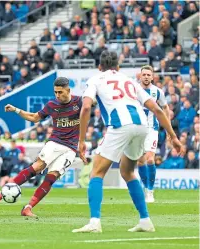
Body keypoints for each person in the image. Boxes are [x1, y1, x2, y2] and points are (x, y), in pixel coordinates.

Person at [72, 51, 183, 233]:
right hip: (142, 126)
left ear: (100, 67)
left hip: (120, 125)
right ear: (118, 67)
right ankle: (145, 220)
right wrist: (174, 137)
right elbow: (156, 108)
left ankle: (94, 222)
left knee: (96, 173)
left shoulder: (96, 79)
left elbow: (85, 108)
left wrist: (81, 140)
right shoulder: (130, 80)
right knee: (128, 171)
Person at [0, 77, 82, 217]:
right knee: (38, 166)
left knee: (52, 177)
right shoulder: (52, 104)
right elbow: (34, 117)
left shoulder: (79, 102)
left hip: (70, 149)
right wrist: (15, 109)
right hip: (55, 142)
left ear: (68, 90)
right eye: (55, 92)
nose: (57, 95)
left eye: (60, 92)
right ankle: (3, 193)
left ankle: (28, 208)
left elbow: (96, 102)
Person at [137, 65, 170, 203]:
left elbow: (165, 107)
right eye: (144, 74)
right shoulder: (134, 90)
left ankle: (150, 191)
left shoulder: (157, 92)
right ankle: (145, 188)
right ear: (140, 76)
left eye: (148, 75)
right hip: (137, 129)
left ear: (152, 77)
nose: (146, 77)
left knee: (150, 159)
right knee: (140, 160)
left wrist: (167, 127)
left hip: (152, 129)